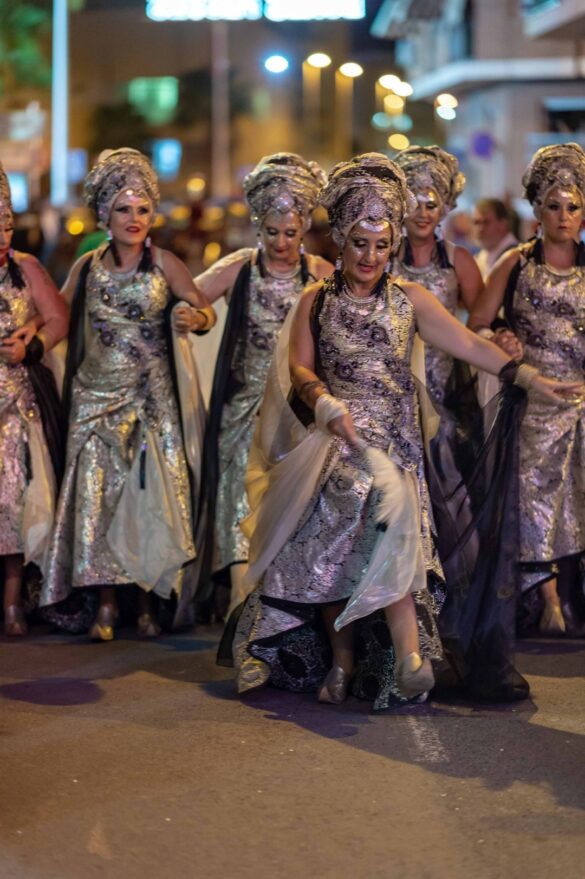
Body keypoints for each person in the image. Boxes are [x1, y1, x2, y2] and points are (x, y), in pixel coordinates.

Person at [219, 153, 580, 708]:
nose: (370, 257)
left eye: (382, 245)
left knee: (396, 536)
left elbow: (467, 343)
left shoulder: (410, 299)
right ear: (340, 241)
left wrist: (528, 377)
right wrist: (323, 403)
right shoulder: (317, 300)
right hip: (336, 448)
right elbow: (300, 370)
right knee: (330, 559)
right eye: (360, 244)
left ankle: (410, 658)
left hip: (397, 449)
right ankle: (342, 661)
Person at [41, 148, 216, 640]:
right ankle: (104, 606)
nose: (134, 218)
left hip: (151, 404)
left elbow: (205, 311)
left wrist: (194, 317)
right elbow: (57, 319)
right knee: (97, 501)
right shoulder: (87, 267)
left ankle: (145, 603)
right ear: (104, 215)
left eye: (142, 209)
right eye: (123, 209)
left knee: (147, 503)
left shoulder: (165, 264)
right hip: (95, 402)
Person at [194, 153, 333, 618]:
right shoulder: (241, 267)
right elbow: (190, 297)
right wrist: (196, 316)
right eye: (272, 232)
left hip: (298, 415)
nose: (281, 243)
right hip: (244, 412)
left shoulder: (320, 275)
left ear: (304, 228)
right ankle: (240, 601)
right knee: (238, 496)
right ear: (258, 226)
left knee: (292, 501)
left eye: (290, 233)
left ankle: (283, 600)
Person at [469, 143, 585, 637]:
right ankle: (545, 598)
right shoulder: (515, 263)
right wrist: (499, 333)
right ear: (537, 210)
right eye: (554, 206)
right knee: (533, 498)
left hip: (583, 401)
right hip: (534, 402)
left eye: (573, 207)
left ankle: (570, 598)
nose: (564, 216)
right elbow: (477, 320)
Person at [0, 161, 68, 635]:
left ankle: (13, 604)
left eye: (7, 225)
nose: (3, 235)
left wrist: (34, 341)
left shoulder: (25, 268)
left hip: (17, 413)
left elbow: (59, 316)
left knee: (18, 506)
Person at [392, 145, 484, 405]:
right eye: (415, 205)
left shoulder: (459, 259)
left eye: (431, 205)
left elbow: (481, 320)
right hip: (392, 385)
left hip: (445, 387)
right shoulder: (382, 258)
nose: (423, 214)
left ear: (443, 208)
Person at [473, 198, 518, 281]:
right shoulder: (483, 254)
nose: (480, 229)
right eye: (477, 222)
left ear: (503, 224)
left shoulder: (515, 257)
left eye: (486, 222)